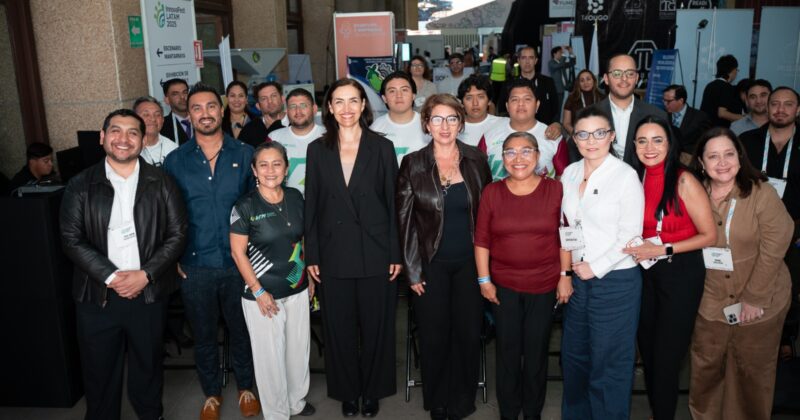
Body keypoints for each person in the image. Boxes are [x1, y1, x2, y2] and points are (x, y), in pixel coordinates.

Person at [60, 109, 187, 420]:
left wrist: (146, 274)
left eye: (133, 133)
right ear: (103, 137)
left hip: (147, 293)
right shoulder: (80, 185)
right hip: (97, 296)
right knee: (99, 371)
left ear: (143, 141)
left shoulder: (163, 182)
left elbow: (178, 233)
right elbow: (71, 239)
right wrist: (112, 276)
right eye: (115, 131)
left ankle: (150, 414)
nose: (123, 139)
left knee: (148, 366)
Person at [304, 78, 401, 417]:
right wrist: (311, 254)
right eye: (338, 102)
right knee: (338, 327)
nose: (346, 108)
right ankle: (347, 391)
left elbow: (393, 203)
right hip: (333, 254)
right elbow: (311, 206)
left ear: (363, 106)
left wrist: (394, 253)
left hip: (376, 252)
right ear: (329, 108)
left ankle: (373, 391)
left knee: (377, 326)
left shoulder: (382, 148)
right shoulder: (317, 150)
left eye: (353, 101)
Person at [163, 84, 260, 420]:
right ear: (188, 115)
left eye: (210, 107)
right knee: (203, 333)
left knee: (242, 330)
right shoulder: (175, 161)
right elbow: (168, 213)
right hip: (195, 265)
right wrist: (173, 256)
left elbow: (257, 208)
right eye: (196, 108)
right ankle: (211, 394)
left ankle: (247, 387)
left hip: (238, 263)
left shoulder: (246, 154)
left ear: (222, 110)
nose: (205, 113)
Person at [396, 93, 492, 420]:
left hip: (470, 265)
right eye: (437, 119)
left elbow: (488, 215)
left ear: (461, 123)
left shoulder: (477, 160)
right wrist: (412, 271)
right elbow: (404, 221)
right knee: (434, 337)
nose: (445, 126)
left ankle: (462, 400)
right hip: (429, 266)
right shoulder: (413, 164)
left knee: (467, 335)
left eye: (452, 118)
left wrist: (487, 270)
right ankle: (437, 401)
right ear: (426, 124)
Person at [688, 127, 793, 420]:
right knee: (706, 369)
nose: (722, 162)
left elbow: (777, 243)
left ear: (739, 156)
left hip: (762, 296)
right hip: (710, 300)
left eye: (729, 154)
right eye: (713, 156)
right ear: (701, 162)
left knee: (751, 373)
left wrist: (754, 297)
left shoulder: (761, 192)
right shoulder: (692, 193)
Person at [622, 117, 717, 419]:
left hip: (680, 271)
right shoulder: (632, 178)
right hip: (645, 272)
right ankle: (657, 410)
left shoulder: (684, 179)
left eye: (657, 140)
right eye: (642, 141)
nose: (649, 148)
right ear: (633, 145)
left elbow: (709, 235)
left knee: (666, 356)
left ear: (670, 143)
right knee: (648, 350)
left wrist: (663, 248)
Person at [474, 131, 572, 420]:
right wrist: (484, 280)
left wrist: (565, 275)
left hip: (544, 286)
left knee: (536, 353)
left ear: (538, 156)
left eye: (526, 151)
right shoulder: (492, 192)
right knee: (506, 353)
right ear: (502, 158)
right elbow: (482, 241)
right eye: (510, 152)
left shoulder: (555, 189)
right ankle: (508, 412)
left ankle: (532, 413)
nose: (518, 159)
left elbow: (565, 237)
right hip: (503, 287)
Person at [560, 107, 645, 419]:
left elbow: (631, 235)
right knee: (575, 358)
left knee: (609, 364)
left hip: (615, 282)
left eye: (599, 133)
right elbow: (566, 225)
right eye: (583, 134)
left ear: (611, 136)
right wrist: (567, 271)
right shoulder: (569, 172)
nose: (590, 140)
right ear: (575, 138)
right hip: (579, 281)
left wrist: (594, 267)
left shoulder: (625, 176)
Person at [230, 142, 316, 420]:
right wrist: (258, 291)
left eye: (277, 163)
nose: (270, 170)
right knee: (270, 358)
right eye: (263, 164)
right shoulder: (244, 206)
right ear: (254, 170)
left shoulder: (295, 197)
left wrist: (308, 277)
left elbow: (301, 240)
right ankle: (277, 413)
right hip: (263, 293)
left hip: (298, 286)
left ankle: (296, 402)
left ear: (286, 167)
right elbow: (237, 252)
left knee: (298, 350)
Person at [582, 54, 667, 166]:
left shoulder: (657, 115)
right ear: (606, 79)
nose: (624, 79)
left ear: (636, 78)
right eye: (617, 73)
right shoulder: (587, 116)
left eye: (630, 73)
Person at [484, 79, 562, 180]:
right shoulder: (489, 135)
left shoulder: (553, 135)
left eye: (527, 99)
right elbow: (479, 174)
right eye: (515, 99)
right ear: (507, 106)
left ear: (537, 105)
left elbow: (564, 177)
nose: (521, 104)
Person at [267, 88, 325, 195]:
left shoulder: (328, 136)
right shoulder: (274, 137)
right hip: (287, 205)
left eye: (303, 106)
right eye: (293, 107)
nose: (298, 111)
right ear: (287, 111)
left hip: (322, 204)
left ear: (314, 109)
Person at [370, 71, 430, 164]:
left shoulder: (428, 125)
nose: (399, 95)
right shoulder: (375, 128)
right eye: (392, 91)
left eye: (404, 90)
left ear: (413, 95)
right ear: (384, 98)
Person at [498, 46, 559, 125]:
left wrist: (556, 124)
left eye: (531, 58)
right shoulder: (508, 84)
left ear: (536, 61)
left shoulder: (548, 82)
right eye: (523, 58)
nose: (527, 61)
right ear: (519, 61)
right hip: (517, 131)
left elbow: (555, 109)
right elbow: (502, 110)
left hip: (543, 131)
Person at [662, 84, 710, 162]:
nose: (665, 104)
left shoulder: (700, 117)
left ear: (681, 101)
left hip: (689, 160)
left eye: (668, 101)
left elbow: (705, 142)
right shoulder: (662, 115)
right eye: (663, 100)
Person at [457, 74, 505, 147]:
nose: (475, 103)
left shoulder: (503, 124)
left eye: (480, 97)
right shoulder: (453, 128)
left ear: (489, 101)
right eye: (469, 98)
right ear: (462, 103)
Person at [133, 96, 179, 167]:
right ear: (134, 119)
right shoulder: (127, 148)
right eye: (146, 115)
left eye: (157, 115)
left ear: (163, 120)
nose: (153, 119)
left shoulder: (173, 149)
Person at [240, 81, 288, 147]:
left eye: (273, 96)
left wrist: (276, 126)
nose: (270, 101)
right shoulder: (249, 130)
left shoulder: (295, 122)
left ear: (282, 99)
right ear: (258, 106)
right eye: (264, 99)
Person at [700, 54, 743, 128]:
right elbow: (722, 113)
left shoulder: (710, 85)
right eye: (736, 70)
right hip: (717, 131)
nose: (736, 72)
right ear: (732, 70)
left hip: (704, 129)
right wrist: (743, 117)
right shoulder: (727, 87)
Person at [562, 69, 604, 135]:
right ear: (578, 83)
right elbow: (566, 123)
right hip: (578, 135)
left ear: (594, 80)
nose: (585, 83)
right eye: (582, 80)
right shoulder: (572, 98)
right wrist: (577, 135)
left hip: (599, 135)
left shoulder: (603, 98)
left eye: (588, 79)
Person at [160, 78, 192, 145]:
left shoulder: (202, 119)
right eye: (175, 94)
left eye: (185, 92)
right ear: (167, 100)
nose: (182, 97)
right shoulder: (161, 127)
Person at [548, 46, 576, 120]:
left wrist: (570, 52)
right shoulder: (551, 63)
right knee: (556, 109)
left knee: (559, 108)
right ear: (554, 54)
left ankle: (557, 124)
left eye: (562, 52)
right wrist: (564, 54)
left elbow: (572, 63)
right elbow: (559, 65)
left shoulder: (561, 63)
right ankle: (555, 124)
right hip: (556, 90)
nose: (561, 54)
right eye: (560, 52)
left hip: (562, 89)